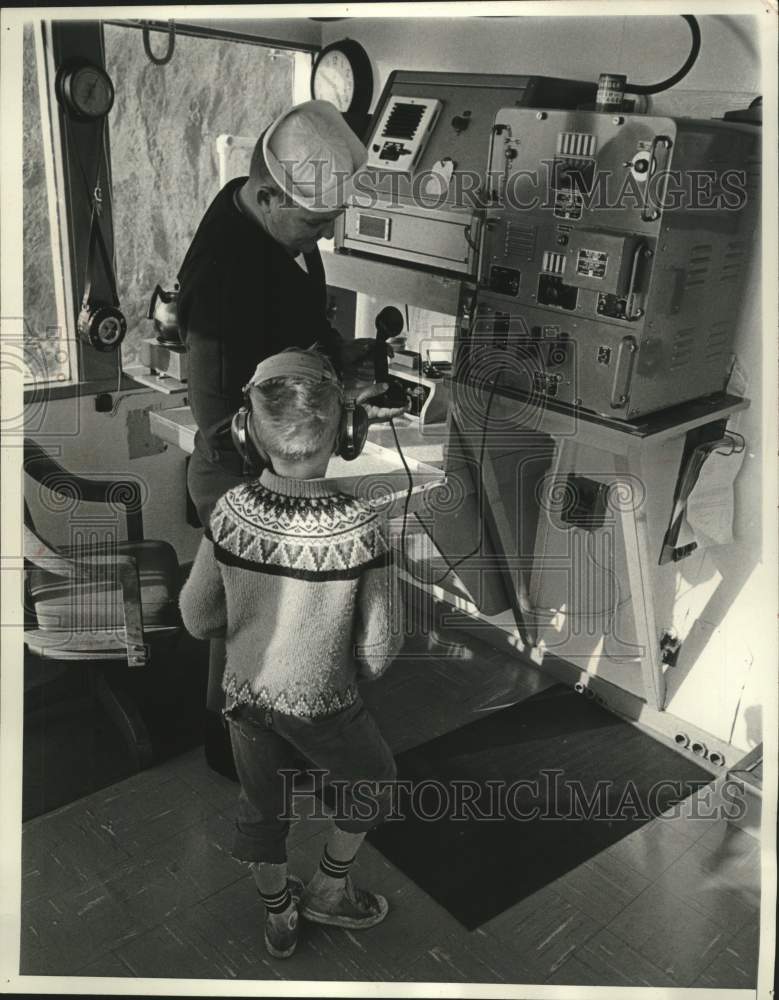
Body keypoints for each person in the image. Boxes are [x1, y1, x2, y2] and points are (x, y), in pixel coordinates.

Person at [176, 100, 407, 774]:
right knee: (253, 624)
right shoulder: (223, 278)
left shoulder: (250, 211)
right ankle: (243, 750)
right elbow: (219, 416)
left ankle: (262, 744)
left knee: (267, 624)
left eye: (329, 223)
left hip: (263, 455)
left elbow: (292, 313)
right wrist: (307, 435)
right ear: (269, 193)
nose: (318, 238)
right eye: (312, 223)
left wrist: (337, 358)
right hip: (239, 471)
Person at [179, 347, 401, 959]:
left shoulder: (228, 515)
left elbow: (198, 619)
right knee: (374, 780)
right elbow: (380, 650)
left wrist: (246, 620)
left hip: (247, 696)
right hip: (327, 703)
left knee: (262, 807)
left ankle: (279, 917)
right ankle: (330, 887)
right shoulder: (364, 526)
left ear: (248, 434)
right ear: (347, 432)